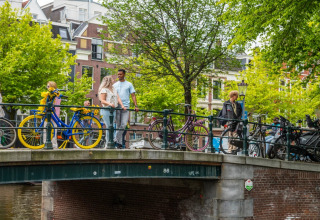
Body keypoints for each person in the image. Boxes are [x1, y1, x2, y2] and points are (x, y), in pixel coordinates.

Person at [113, 69, 139, 149]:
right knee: (118, 125)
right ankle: (119, 144)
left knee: (123, 125)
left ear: (124, 74)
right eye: (118, 74)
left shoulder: (129, 84)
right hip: (117, 106)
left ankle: (115, 139)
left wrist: (136, 105)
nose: (119, 76)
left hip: (126, 106)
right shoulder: (115, 85)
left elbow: (133, 95)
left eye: (120, 74)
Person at [99, 75, 126, 148]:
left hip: (113, 110)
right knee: (109, 126)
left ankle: (110, 143)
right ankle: (108, 144)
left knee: (112, 127)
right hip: (106, 110)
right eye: (112, 79)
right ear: (109, 81)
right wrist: (110, 104)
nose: (113, 80)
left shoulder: (113, 89)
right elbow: (102, 101)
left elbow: (118, 97)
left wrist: (122, 105)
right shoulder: (104, 89)